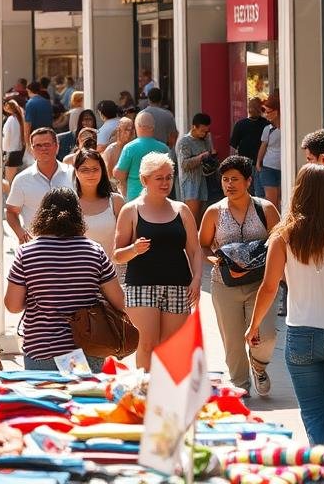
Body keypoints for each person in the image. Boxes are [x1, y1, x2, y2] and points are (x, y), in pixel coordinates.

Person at [246, 164, 324, 449]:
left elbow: (269, 287)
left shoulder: (283, 236)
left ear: (298, 191)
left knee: (315, 412)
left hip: (302, 334)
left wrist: (254, 325)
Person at [5, 188, 126, 372]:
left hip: (41, 348)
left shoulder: (26, 253)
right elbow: (119, 301)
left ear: (42, 214)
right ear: (78, 215)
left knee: (44, 401)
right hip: (87, 348)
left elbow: (12, 305)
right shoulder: (95, 251)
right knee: (80, 400)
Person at [200, 156, 280, 397]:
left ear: (248, 181)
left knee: (265, 335)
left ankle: (259, 366)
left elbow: (278, 243)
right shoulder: (214, 212)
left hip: (260, 283)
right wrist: (216, 260)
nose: (229, 184)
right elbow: (203, 244)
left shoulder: (265, 209)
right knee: (233, 342)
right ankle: (240, 387)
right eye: (225, 180)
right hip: (225, 283)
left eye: (235, 179)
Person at [114, 153, 200, 370]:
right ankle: (145, 394)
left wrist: (197, 279)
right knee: (147, 345)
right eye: (159, 178)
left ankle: (166, 396)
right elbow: (117, 255)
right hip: (141, 285)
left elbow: (194, 249)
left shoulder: (182, 210)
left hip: (178, 284)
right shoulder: (130, 210)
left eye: (168, 177)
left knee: (171, 347)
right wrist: (134, 249)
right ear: (144, 180)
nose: (165, 183)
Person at [4, 128, 75, 244]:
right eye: (38, 145)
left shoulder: (72, 174)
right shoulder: (22, 179)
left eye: (47, 144)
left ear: (56, 146)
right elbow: (11, 212)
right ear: (32, 150)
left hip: (69, 245)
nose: (43, 149)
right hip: (36, 246)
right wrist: (21, 234)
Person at [74, 148, 124, 260]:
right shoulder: (68, 203)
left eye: (95, 169)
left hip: (111, 273)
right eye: (84, 170)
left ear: (102, 170)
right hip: (76, 274)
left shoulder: (116, 201)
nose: (91, 174)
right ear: (76, 172)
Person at [114, 111, 172, 200]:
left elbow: (118, 174)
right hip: (160, 199)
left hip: (135, 199)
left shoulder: (130, 148)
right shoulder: (164, 148)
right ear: (153, 127)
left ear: (137, 127)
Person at [176, 112, 215, 219]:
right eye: (202, 131)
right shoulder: (184, 142)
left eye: (206, 131)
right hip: (190, 183)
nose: (204, 133)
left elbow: (211, 154)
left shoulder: (206, 139)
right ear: (194, 127)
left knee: (202, 219)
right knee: (191, 219)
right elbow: (184, 164)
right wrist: (201, 157)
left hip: (205, 182)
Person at [230, 98, 270, 196]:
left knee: (259, 192)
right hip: (245, 164)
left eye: (256, 107)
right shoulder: (240, 124)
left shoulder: (266, 124)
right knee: (247, 191)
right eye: (251, 107)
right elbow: (233, 146)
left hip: (261, 164)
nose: (252, 110)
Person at [255, 95, 283, 208]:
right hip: (268, 167)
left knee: (282, 201)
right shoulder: (268, 129)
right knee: (272, 203)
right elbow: (263, 146)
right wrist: (258, 162)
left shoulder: (288, 127)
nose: (266, 115)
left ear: (276, 111)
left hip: (283, 168)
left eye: (268, 111)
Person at [3, 99, 25, 182]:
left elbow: (7, 135)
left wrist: (4, 149)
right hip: (18, 149)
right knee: (12, 179)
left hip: (11, 151)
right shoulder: (19, 118)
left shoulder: (11, 119)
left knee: (8, 180)